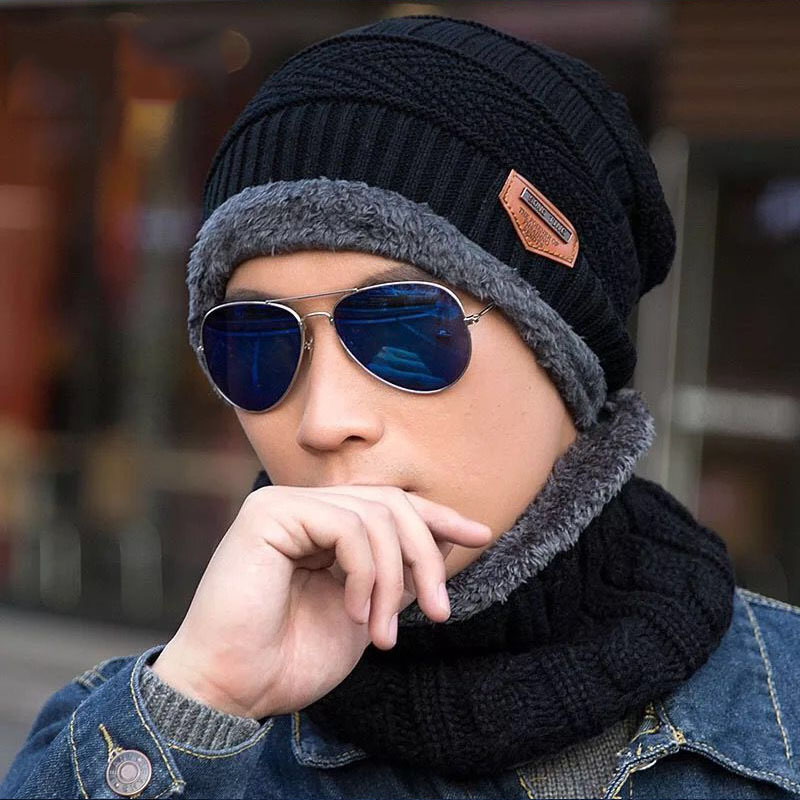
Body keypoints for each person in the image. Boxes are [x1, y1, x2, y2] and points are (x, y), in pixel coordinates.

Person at [2, 13, 799, 800]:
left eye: (404, 330)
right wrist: (206, 699)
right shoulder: (139, 737)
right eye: (257, 344)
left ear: (565, 357)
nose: (323, 421)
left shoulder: (782, 707)